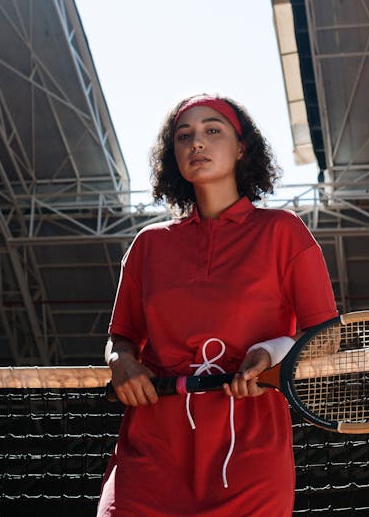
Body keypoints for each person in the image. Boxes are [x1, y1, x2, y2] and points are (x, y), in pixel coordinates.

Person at [97, 94, 337, 516]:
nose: (197, 143)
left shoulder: (283, 231)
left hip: (249, 446)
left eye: (213, 130)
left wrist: (270, 353)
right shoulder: (149, 245)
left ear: (242, 147)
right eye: (183, 136)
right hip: (152, 446)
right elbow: (121, 337)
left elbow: (326, 335)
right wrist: (122, 362)